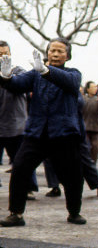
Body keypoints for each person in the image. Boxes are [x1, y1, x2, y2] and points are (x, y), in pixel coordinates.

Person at [0, 38, 86, 226]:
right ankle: (16, 213)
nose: (55, 54)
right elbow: (18, 85)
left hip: (64, 134)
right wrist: (6, 77)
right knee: (20, 169)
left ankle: (74, 212)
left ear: (68, 55)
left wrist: (47, 71)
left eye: (60, 51)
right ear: (47, 53)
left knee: (72, 176)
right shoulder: (35, 74)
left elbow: (70, 83)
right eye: (52, 50)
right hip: (37, 133)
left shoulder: (73, 74)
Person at [0, 41, 37, 198]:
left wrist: (7, 76)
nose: (3, 57)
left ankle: (28, 188)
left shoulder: (20, 71)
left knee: (22, 161)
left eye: (5, 53)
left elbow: (24, 85)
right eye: (0, 54)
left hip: (18, 124)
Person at [82, 81, 98, 162]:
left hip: (97, 128)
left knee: (95, 148)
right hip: (85, 128)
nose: (95, 88)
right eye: (93, 87)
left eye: (96, 87)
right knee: (86, 149)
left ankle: (92, 166)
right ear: (88, 89)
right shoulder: (83, 99)